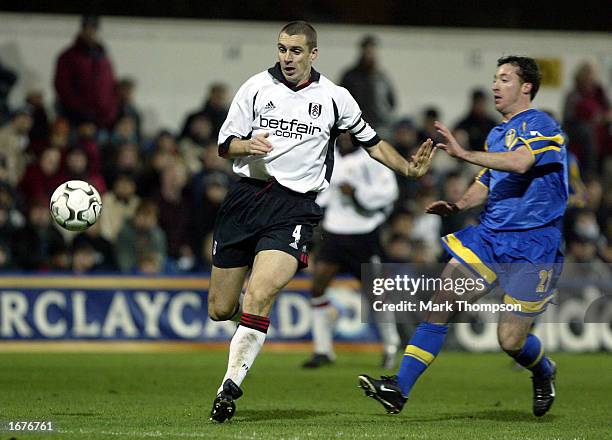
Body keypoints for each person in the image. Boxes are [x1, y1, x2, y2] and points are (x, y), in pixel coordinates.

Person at [208, 21, 435, 423]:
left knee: (260, 293)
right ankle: (252, 332)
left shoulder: (335, 98)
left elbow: (373, 142)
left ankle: (229, 387)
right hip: (245, 201)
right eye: (282, 49)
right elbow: (225, 145)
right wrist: (247, 144)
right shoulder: (256, 87)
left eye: (296, 51)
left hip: (295, 208)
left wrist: (407, 169)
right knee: (221, 308)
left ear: (313, 54)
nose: (287, 58)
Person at [359, 56, 567, 418]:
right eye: (495, 78)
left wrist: (462, 153)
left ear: (527, 86)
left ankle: (544, 370)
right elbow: (486, 182)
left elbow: (521, 163)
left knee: (510, 340)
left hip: (534, 244)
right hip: (490, 237)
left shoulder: (541, 123)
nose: (495, 86)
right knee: (441, 299)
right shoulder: (497, 133)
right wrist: (457, 205)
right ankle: (398, 389)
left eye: (504, 79)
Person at [302, 133, 401, 370]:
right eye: (342, 133)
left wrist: (356, 192)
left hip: (363, 233)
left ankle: (391, 344)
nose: (345, 137)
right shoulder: (330, 158)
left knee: (376, 295)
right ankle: (323, 349)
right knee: (317, 287)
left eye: (349, 133)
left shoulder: (372, 160)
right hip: (335, 231)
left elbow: (389, 192)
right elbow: (321, 193)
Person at [54, 15, 119, 130]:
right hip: (76, 120)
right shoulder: (68, 56)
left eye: (94, 28)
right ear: (82, 29)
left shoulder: (104, 58)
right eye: (87, 28)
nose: (91, 32)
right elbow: (63, 87)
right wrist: (81, 111)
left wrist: (111, 112)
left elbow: (111, 86)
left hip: (103, 121)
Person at [339, 35, 396, 137]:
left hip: (379, 125)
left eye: (372, 51)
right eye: (367, 51)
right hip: (356, 125)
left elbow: (391, 102)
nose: (370, 55)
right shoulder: (350, 76)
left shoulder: (381, 77)